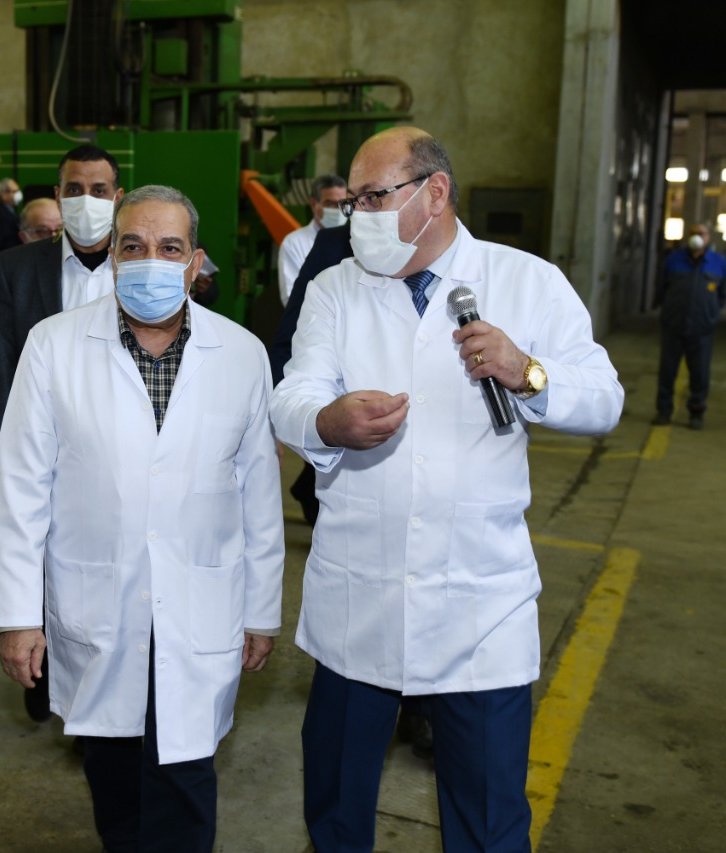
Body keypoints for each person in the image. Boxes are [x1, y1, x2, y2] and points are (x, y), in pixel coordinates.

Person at [270, 127, 624, 852]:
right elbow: (292, 394)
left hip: (479, 605)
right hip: (358, 596)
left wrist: (527, 371)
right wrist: (328, 422)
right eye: (354, 200)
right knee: (335, 813)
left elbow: (605, 399)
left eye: (375, 197)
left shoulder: (526, 281)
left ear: (434, 194)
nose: (358, 215)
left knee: (489, 822)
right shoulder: (335, 288)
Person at [0, 185, 284, 852]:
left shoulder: (241, 353)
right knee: (114, 775)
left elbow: (259, 495)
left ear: (195, 263)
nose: (152, 259)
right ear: (114, 259)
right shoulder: (53, 345)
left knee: (187, 774)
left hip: (201, 598)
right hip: (98, 597)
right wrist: (17, 615)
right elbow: (21, 488)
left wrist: (261, 612)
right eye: (134, 245)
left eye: (170, 247)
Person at [0, 146, 124, 722]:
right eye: (74, 189)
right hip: (43, 451)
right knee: (41, 565)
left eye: (99, 189)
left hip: (119, 454)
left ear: (118, 196)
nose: (87, 201)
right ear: (58, 197)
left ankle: (107, 693)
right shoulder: (17, 269)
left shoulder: (140, 264)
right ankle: (42, 681)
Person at [0, 198, 61, 433]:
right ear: (23, 235)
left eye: (59, 230)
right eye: (42, 231)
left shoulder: (75, 271)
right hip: (23, 408)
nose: (52, 237)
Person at [653, 222, 725, 430]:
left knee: (700, 373)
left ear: (708, 238)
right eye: (693, 233)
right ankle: (664, 411)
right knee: (667, 371)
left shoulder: (718, 263)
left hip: (702, 329)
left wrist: (711, 315)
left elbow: (722, 295)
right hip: (673, 327)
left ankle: (696, 412)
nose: (696, 237)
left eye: (701, 233)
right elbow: (662, 288)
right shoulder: (673, 260)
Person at [277, 174, 348, 305]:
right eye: (330, 203)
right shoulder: (294, 243)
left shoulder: (355, 240)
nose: (338, 210)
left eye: (342, 203)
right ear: (314, 204)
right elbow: (291, 297)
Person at [0, 177, 23, 259]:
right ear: (4, 195)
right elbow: (4, 243)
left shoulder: (11, 211)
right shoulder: (1, 215)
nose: (18, 194)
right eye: (14, 191)